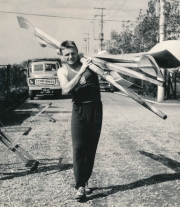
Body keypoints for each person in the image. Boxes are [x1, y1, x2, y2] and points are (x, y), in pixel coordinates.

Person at [57, 40, 103, 201]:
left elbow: (105, 65)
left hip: (95, 109)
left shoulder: (89, 63)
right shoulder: (62, 71)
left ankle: (84, 181)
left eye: (73, 53)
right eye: (67, 54)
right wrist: (81, 70)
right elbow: (65, 89)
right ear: (61, 56)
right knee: (78, 148)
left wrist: (98, 58)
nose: (70, 57)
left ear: (77, 52)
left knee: (90, 148)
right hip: (79, 110)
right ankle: (79, 186)